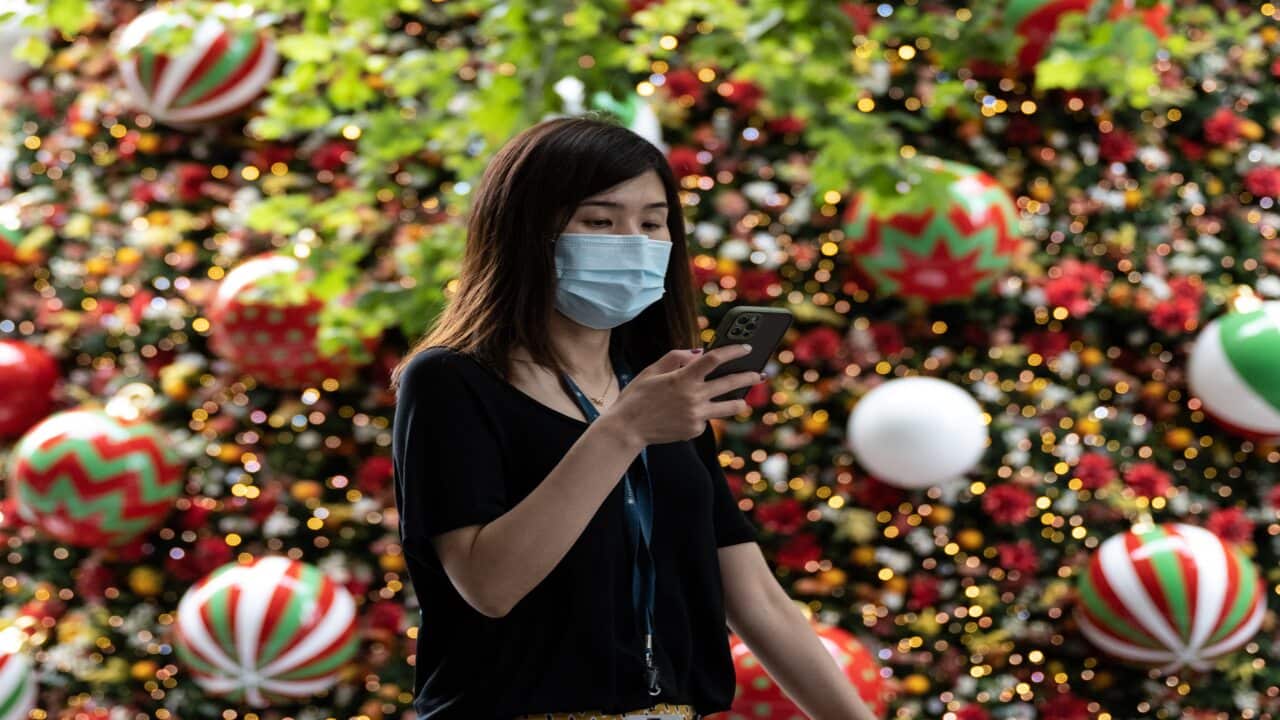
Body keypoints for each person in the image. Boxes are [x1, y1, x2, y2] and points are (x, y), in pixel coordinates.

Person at [390, 116, 877, 720]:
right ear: (525, 231)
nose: (634, 242)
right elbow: (488, 585)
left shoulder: (659, 386)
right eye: (599, 220)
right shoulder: (450, 380)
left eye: (652, 223)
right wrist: (623, 430)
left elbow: (756, 600)